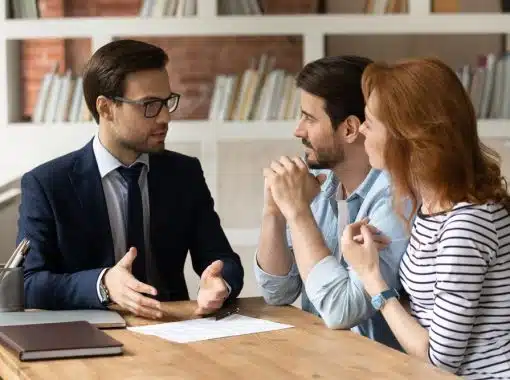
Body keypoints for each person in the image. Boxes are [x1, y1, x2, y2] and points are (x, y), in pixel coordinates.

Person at [17, 39, 244, 319]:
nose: (164, 118)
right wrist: (103, 284)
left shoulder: (184, 174)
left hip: (175, 329)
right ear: (105, 108)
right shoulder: (47, 184)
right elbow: (29, 284)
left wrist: (219, 282)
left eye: (166, 102)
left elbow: (223, 259)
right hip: (90, 336)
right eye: (149, 105)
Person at [340, 57, 510, 379]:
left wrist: (371, 277)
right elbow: (428, 314)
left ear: (410, 139)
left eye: (371, 121)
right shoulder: (431, 208)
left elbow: (440, 362)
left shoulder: (466, 225)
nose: (361, 129)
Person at [254, 56, 409, 349]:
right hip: (322, 358)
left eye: (309, 118)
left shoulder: (395, 199)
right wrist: (274, 212)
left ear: (350, 129)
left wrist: (298, 213)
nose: (298, 131)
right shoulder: (320, 183)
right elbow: (278, 292)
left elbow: (342, 310)